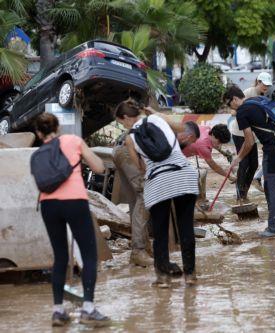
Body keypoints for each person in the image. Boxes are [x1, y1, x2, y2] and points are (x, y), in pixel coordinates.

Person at [34, 113, 110, 327]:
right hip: (74, 201)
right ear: (57, 128)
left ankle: (58, 311)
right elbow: (99, 168)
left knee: (59, 257)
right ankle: (88, 309)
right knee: (89, 255)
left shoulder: (37, 154)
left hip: (48, 205)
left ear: (39, 133)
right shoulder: (73, 141)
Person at [115, 100, 199, 287]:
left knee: (160, 231)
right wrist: (155, 112)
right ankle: (191, 275)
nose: (124, 126)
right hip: (184, 175)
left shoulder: (130, 138)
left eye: (122, 123)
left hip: (158, 182)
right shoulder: (158, 118)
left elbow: (141, 167)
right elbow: (185, 128)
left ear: (127, 118)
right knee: (186, 227)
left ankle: (163, 278)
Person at [224, 85, 275, 237]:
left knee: (271, 186)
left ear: (235, 99)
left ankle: (274, 228)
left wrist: (238, 158)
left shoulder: (242, 111)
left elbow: (249, 141)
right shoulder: (258, 100)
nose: (230, 108)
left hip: (274, 149)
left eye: (229, 104)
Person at [113, 133, 154, 267]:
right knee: (144, 195)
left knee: (135, 201)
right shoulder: (167, 135)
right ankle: (139, 251)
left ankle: (144, 249)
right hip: (129, 152)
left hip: (119, 150)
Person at [228, 88, 259, 202]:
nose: (265, 87)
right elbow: (233, 111)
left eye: (267, 85)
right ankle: (239, 195)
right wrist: (239, 157)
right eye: (264, 84)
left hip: (251, 135)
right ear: (258, 83)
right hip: (239, 133)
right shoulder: (249, 92)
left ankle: (244, 191)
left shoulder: (260, 97)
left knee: (254, 164)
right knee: (244, 163)